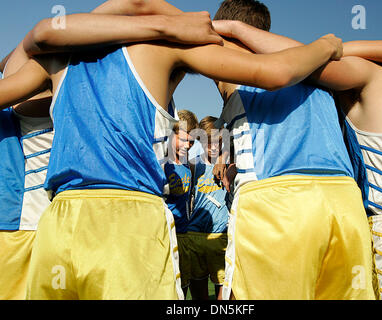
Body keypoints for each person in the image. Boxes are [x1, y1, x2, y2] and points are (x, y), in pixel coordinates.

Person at [0, 0, 343, 299]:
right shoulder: (166, 47)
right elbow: (276, 72)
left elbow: (19, 58)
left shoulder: (57, 56)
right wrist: (326, 45)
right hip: (129, 217)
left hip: (60, 221)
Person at [0, 0, 227, 300]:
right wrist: (174, 23)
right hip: (35, 227)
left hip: (47, 228)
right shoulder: (54, 68)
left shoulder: (46, 69)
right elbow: (50, 32)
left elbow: (45, 36)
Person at [212, 0, 382, 300]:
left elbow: (290, 68)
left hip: (293, 207)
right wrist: (323, 47)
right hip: (348, 213)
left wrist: (232, 30)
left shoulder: (354, 78)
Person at [187, 116, 230, 300]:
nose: (213, 146)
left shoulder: (230, 165)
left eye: (217, 142)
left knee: (225, 294)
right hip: (195, 236)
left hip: (221, 236)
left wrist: (223, 156)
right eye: (207, 141)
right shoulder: (193, 165)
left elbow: (236, 137)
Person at [164, 109, 198, 297]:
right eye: (183, 139)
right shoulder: (161, 163)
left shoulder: (187, 165)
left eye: (192, 141)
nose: (188, 145)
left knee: (182, 287)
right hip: (164, 235)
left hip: (183, 235)